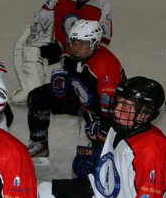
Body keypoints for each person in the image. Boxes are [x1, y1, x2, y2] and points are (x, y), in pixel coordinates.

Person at [39, 76, 166, 198]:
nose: (118, 109)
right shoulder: (120, 126)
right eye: (119, 102)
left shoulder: (152, 151)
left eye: (127, 106)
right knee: (46, 193)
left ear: (145, 113)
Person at [10, 0, 112, 103]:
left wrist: (72, 54)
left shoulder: (102, 5)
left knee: (72, 88)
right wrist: (45, 41)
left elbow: (103, 40)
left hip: (82, 55)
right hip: (59, 48)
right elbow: (44, 15)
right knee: (31, 47)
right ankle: (33, 90)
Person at [26, 19, 123, 159]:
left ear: (95, 43)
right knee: (37, 96)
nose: (76, 46)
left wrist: (103, 129)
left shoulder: (106, 68)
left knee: (90, 162)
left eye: (83, 43)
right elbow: (72, 73)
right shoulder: (72, 52)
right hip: (82, 99)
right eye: (74, 41)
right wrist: (63, 82)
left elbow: (117, 111)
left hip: (102, 112)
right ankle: (39, 144)